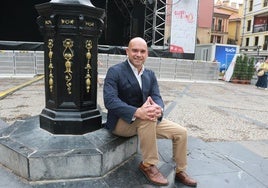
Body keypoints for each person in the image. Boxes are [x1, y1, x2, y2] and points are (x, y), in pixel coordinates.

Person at [103, 37, 197, 187]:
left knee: (181, 132)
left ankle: (180, 170)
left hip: (146, 120)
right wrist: (137, 112)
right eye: (135, 50)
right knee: (147, 119)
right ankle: (148, 165)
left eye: (142, 51)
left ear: (147, 54)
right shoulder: (115, 71)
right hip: (122, 123)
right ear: (127, 51)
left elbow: (157, 97)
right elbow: (110, 101)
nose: (138, 54)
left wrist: (158, 108)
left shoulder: (150, 74)